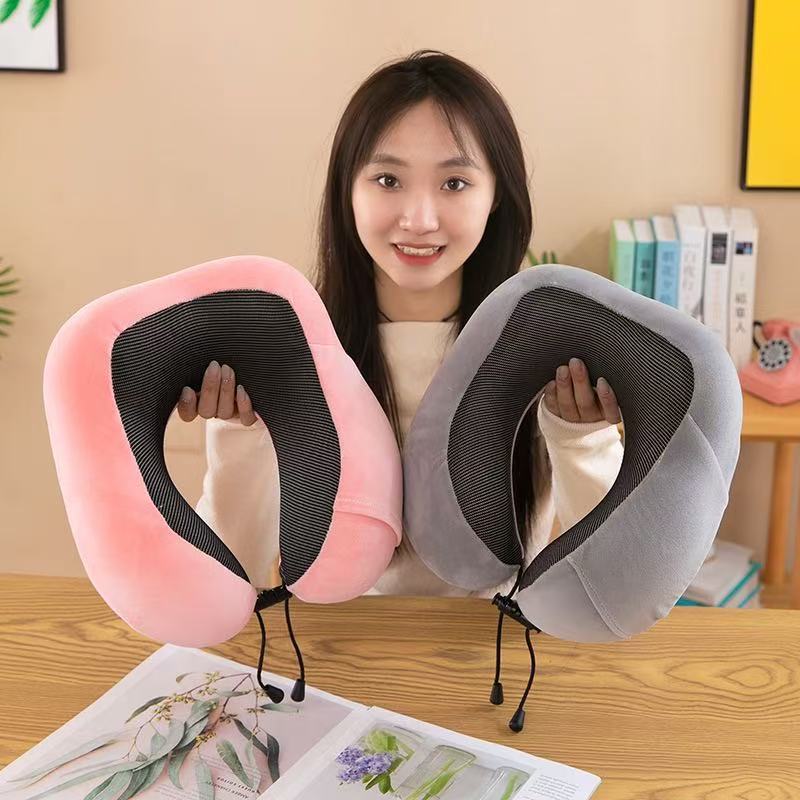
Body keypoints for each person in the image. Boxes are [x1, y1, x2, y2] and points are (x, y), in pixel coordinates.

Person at [175, 50, 624, 596]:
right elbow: (231, 571)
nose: (419, 220)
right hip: (332, 638)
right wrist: (241, 431)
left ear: (496, 195)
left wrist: (580, 437)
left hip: (492, 642)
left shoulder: (539, 352)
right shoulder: (294, 355)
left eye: (454, 183)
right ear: (348, 190)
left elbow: (611, 575)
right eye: (388, 179)